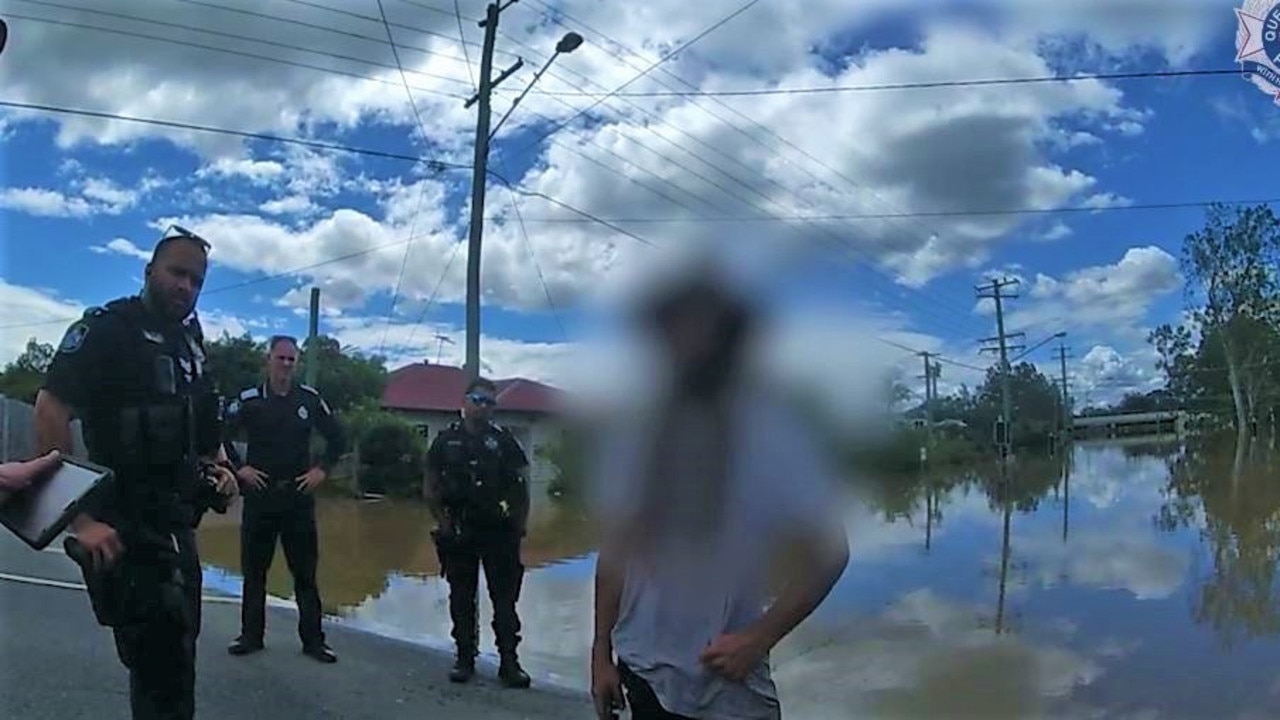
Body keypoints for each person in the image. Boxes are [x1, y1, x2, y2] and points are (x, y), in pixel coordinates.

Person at [588, 268, 850, 720]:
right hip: (640, 670)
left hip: (725, 681)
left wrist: (759, 638)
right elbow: (615, 553)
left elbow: (830, 553)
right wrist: (599, 652)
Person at [33, 226, 239, 720]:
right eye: (176, 272)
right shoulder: (109, 329)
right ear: (149, 272)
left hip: (176, 527)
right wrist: (78, 519)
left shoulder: (192, 342)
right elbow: (49, 409)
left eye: (196, 279)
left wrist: (223, 468)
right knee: (160, 676)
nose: (186, 286)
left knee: (177, 665)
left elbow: (204, 424)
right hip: (126, 526)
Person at [222, 335, 346, 663]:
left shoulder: (308, 399)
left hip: (297, 499)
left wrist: (322, 470)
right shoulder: (250, 400)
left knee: (305, 573)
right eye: (281, 358)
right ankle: (250, 636)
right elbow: (218, 433)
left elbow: (338, 438)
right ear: (269, 360)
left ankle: (314, 641)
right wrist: (239, 468)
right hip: (261, 497)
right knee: (255, 572)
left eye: (292, 360)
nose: (287, 365)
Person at [426, 377, 533, 688]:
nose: (483, 406)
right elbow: (430, 483)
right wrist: (441, 521)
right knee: (461, 597)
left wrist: (521, 525)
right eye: (478, 399)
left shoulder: (504, 441)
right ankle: (464, 658)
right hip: (459, 529)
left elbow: (521, 488)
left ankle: (509, 663)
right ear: (465, 401)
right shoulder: (446, 440)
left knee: (505, 600)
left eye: (489, 402)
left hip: (499, 532)